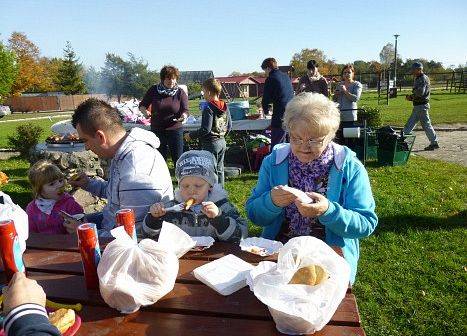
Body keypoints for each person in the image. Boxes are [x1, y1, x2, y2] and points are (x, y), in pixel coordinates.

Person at [246, 93, 378, 284]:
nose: (304, 147)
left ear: (331, 135)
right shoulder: (273, 163)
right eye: (296, 138)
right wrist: (271, 202)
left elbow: (366, 223)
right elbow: (254, 215)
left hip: (329, 259)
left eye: (315, 140)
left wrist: (328, 211)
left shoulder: (349, 168)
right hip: (279, 255)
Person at [69, 98, 173, 237]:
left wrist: (84, 232)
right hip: (113, 226)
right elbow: (117, 193)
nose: (86, 147)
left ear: (100, 137)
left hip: (132, 244)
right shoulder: (123, 153)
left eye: (85, 140)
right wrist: (88, 184)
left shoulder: (135, 170)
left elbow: (133, 235)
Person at [143, 150, 248, 243]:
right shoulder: (171, 209)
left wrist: (219, 218)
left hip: (212, 258)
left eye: (198, 186)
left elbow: (239, 237)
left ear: (210, 186)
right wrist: (154, 218)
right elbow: (149, 236)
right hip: (182, 258)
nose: (191, 191)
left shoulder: (223, 206)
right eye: (185, 186)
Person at [184, 78, 232, 186]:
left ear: (209, 92)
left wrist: (190, 135)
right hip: (222, 142)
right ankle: (221, 192)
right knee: (220, 169)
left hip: (210, 143)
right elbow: (229, 126)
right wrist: (222, 136)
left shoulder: (208, 108)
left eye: (204, 92)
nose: (203, 94)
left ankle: (212, 194)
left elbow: (206, 129)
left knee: (210, 170)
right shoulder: (225, 106)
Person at [139, 65, 189, 163]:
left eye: (173, 78)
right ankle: (160, 178)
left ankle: (180, 178)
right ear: (162, 79)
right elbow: (142, 105)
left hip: (175, 129)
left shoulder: (180, 92)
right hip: (157, 130)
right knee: (159, 160)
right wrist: (145, 112)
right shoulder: (153, 90)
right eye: (168, 78)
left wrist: (183, 116)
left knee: (178, 159)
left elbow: (186, 110)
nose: (171, 81)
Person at [26, 160, 83, 235]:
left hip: (67, 244)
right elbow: (31, 233)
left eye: (60, 180)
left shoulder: (69, 203)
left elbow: (81, 222)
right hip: (43, 245)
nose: (59, 185)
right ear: (39, 189)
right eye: (52, 184)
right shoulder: (32, 209)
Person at [403, 62, 439, 150]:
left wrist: (410, 97)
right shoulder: (419, 78)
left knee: (411, 124)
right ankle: (434, 142)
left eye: (413, 69)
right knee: (424, 124)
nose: (412, 71)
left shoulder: (422, 78)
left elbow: (420, 93)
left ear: (419, 69)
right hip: (420, 105)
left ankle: (400, 141)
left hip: (421, 106)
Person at [261, 57, 294, 151]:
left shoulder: (271, 78)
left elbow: (266, 99)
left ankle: (275, 164)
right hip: (291, 113)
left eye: (265, 71)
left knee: (277, 146)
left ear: (268, 68)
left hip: (279, 116)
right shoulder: (286, 76)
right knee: (289, 146)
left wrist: (266, 111)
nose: (265, 73)